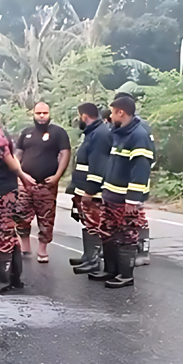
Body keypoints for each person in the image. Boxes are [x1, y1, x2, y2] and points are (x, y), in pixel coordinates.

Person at [89, 96, 154, 288]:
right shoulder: (119, 132)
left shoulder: (138, 135)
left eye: (111, 111)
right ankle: (111, 269)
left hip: (125, 199)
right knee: (107, 232)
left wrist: (133, 200)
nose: (109, 116)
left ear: (120, 112)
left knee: (127, 235)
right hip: (110, 194)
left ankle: (126, 275)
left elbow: (141, 170)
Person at [0, 104, 35, 295]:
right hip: (5, 189)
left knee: (2, 234)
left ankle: (3, 281)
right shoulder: (0, 135)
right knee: (9, 234)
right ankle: (15, 277)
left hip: (2, 191)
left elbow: (10, 160)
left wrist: (23, 177)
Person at [14, 102, 71, 263]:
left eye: (44, 113)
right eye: (38, 113)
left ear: (49, 114)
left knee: (46, 218)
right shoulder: (26, 133)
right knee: (21, 215)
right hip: (25, 183)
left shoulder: (58, 133)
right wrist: (21, 175)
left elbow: (65, 154)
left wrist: (57, 176)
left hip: (47, 184)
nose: (41, 116)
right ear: (33, 114)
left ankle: (42, 249)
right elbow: (17, 156)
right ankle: (25, 247)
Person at [67, 103, 112, 274]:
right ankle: (88, 256)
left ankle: (94, 261)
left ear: (84, 116)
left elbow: (98, 164)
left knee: (94, 224)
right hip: (83, 186)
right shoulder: (92, 132)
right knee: (87, 223)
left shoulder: (99, 134)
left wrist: (90, 190)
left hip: (92, 190)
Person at [113, 92, 153, 267]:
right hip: (120, 184)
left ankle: (142, 250)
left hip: (136, 183)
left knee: (137, 218)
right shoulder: (121, 127)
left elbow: (146, 158)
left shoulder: (140, 129)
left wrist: (135, 190)